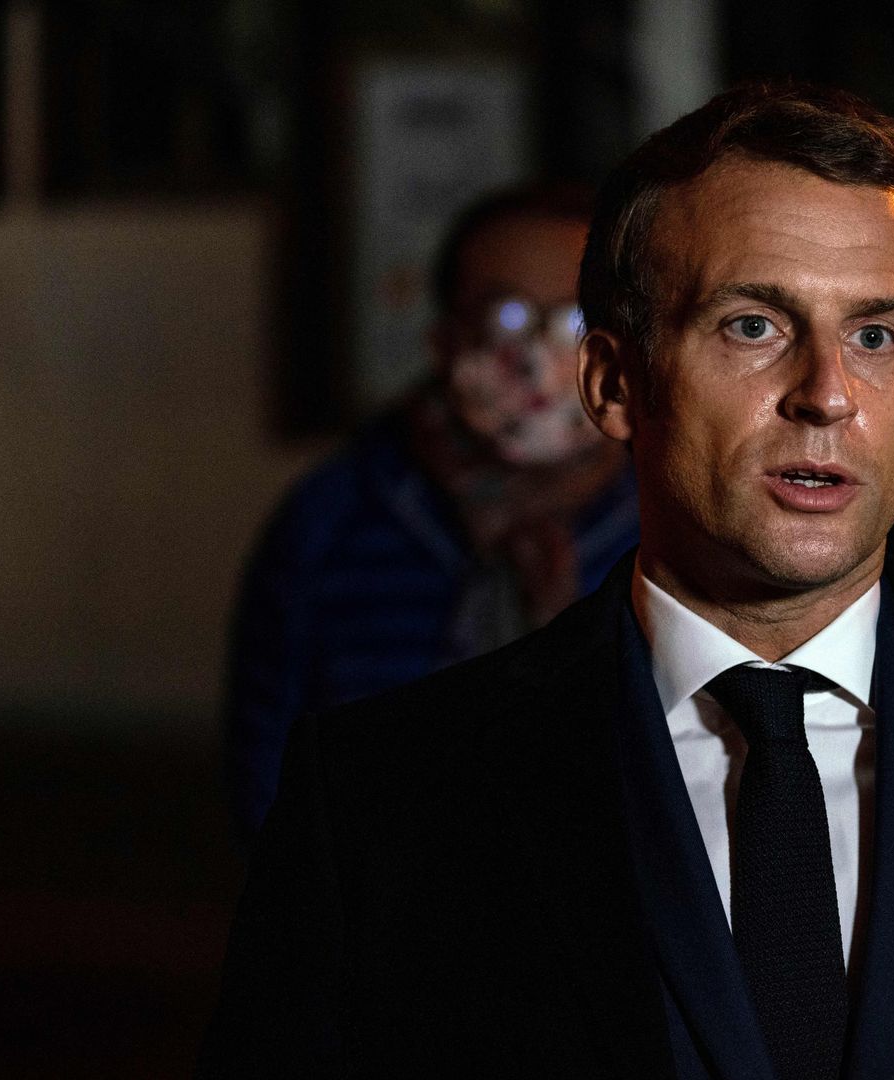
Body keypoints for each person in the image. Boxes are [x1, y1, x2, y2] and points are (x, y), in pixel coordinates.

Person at [200, 83, 894, 1079]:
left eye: (876, 337)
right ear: (614, 382)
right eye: (753, 325)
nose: (826, 393)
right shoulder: (385, 800)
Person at [222, 183, 638, 841]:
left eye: (575, 322)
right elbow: (265, 763)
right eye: (503, 320)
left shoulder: (682, 527)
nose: (537, 362)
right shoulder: (335, 518)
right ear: (443, 341)